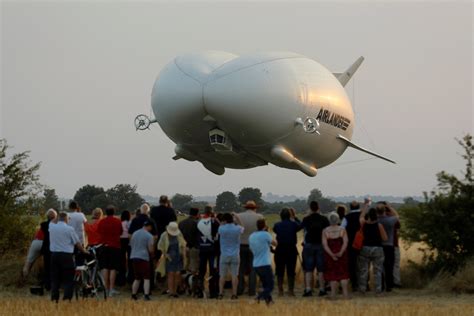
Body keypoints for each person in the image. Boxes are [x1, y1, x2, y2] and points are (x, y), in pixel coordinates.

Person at [49, 212, 88, 302]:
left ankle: (54, 298)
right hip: (66, 256)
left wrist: (57, 216)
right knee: (68, 278)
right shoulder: (70, 229)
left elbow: (52, 220)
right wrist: (84, 251)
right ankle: (66, 298)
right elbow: (77, 243)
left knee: (55, 278)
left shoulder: (52, 226)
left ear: (58, 218)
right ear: (66, 219)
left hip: (54, 255)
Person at [301, 201, 330, 297]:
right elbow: (327, 231)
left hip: (309, 245)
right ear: (318, 208)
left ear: (310, 208)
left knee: (309, 269)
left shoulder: (306, 219)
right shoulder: (324, 219)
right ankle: (322, 289)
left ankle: (308, 289)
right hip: (320, 244)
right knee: (321, 269)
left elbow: (302, 228)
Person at [236, 200, 263, 296]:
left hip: (241, 244)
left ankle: (240, 288)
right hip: (254, 246)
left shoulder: (238, 216)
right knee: (253, 269)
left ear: (246, 208)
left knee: (241, 268)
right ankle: (252, 290)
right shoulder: (259, 217)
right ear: (255, 208)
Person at [358, 207, 388, 294]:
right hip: (377, 249)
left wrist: (365, 208)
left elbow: (360, 218)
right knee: (378, 270)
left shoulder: (363, 224)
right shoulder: (379, 225)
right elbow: (385, 238)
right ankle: (378, 289)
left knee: (363, 270)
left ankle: (362, 289)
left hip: (365, 248)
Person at [272, 207, 301, 296]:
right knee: (291, 270)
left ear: (281, 216)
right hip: (291, 249)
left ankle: (280, 291)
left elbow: (275, 230)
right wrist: (295, 217)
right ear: (289, 215)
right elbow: (301, 225)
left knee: (279, 270)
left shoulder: (277, 225)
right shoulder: (294, 224)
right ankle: (291, 291)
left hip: (280, 249)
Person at [249, 219, 277, 305]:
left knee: (265, 284)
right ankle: (258, 298)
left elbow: (251, 248)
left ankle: (269, 302)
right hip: (265, 263)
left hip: (256, 264)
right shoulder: (266, 234)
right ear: (265, 225)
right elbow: (275, 244)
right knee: (271, 285)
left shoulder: (252, 236)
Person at [322, 212, 350, 299]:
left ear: (329, 220)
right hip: (342, 254)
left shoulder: (325, 231)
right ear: (338, 220)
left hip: (330, 255)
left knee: (332, 274)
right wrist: (341, 252)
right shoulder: (342, 230)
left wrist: (331, 255)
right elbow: (346, 242)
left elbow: (325, 245)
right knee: (343, 273)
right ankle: (345, 295)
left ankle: (333, 295)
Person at [97, 205, 123, 297]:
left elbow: (99, 231)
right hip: (115, 246)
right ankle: (111, 288)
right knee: (113, 268)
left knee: (105, 267)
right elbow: (121, 232)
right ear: (114, 212)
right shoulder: (117, 221)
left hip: (104, 246)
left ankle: (105, 288)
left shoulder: (102, 221)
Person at [217, 212, 244, 299]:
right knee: (234, 275)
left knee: (222, 275)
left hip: (224, 254)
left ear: (224, 220)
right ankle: (234, 294)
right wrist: (237, 216)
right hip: (235, 254)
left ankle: (220, 293)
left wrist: (221, 221)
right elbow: (242, 226)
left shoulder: (221, 228)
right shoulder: (237, 228)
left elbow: (220, 225)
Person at [157, 222, 186, 298]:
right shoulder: (164, 235)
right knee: (170, 274)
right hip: (169, 258)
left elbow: (183, 244)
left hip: (178, 257)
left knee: (177, 274)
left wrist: (184, 254)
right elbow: (160, 246)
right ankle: (171, 292)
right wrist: (165, 254)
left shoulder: (179, 234)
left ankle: (175, 291)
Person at [340, 200, 365, 291]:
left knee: (352, 264)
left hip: (351, 244)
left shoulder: (346, 217)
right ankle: (365, 284)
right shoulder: (363, 216)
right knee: (363, 265)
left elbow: (342, 230)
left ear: (350, 207)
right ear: (358, 207)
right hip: (363, 243)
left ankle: (354, 284)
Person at [197, 206, 220, 298]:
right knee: (213, 271)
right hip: (212, 250)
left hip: (202, 249)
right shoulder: (215, 222)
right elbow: (217, 236)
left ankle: (200, 291)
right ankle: (213, 292)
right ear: (212, 212)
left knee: (201, 271)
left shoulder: (199, 221)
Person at [376, 202, 399, 292]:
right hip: (389, 245)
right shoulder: (390, 220)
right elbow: (397, 216)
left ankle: (380, 285)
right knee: (389, 266)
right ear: (384, 211)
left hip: (379, 245)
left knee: (379, 266)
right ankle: (389, 285)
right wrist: (389, 207)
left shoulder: (376, 221)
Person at [130, 220, 155, 301]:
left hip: (134, 256)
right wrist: (152, 255)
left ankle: (133, 294)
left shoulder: (135, 233)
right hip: (144, 257)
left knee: (137, 278)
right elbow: (150, 249)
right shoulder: (149, 236)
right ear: (149, 227)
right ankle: (146, 295)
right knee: (146, 277)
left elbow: (131, 244)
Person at [178, 207, 200, 275]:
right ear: (197, 214)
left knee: (184, 266)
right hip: (193, 247)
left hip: (183, 247)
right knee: (193, 267)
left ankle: (182, 282)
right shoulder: (197, 223)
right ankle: (192, 281)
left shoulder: (181, 223)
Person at [40, 208, 57, 290]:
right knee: (55, 267)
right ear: (55, 217)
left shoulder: (43, 225)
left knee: (47, 267)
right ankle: (55, 285)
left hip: (46, 248)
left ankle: (47, 285)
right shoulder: (56, 226)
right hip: (55, 248)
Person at [118, 210, 131, 286]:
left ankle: (121, 279)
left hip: (121, 240)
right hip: (128, 240)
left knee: (122, 259)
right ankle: (129, 277)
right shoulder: (129, 223)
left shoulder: (120, 223)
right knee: (129, 259)